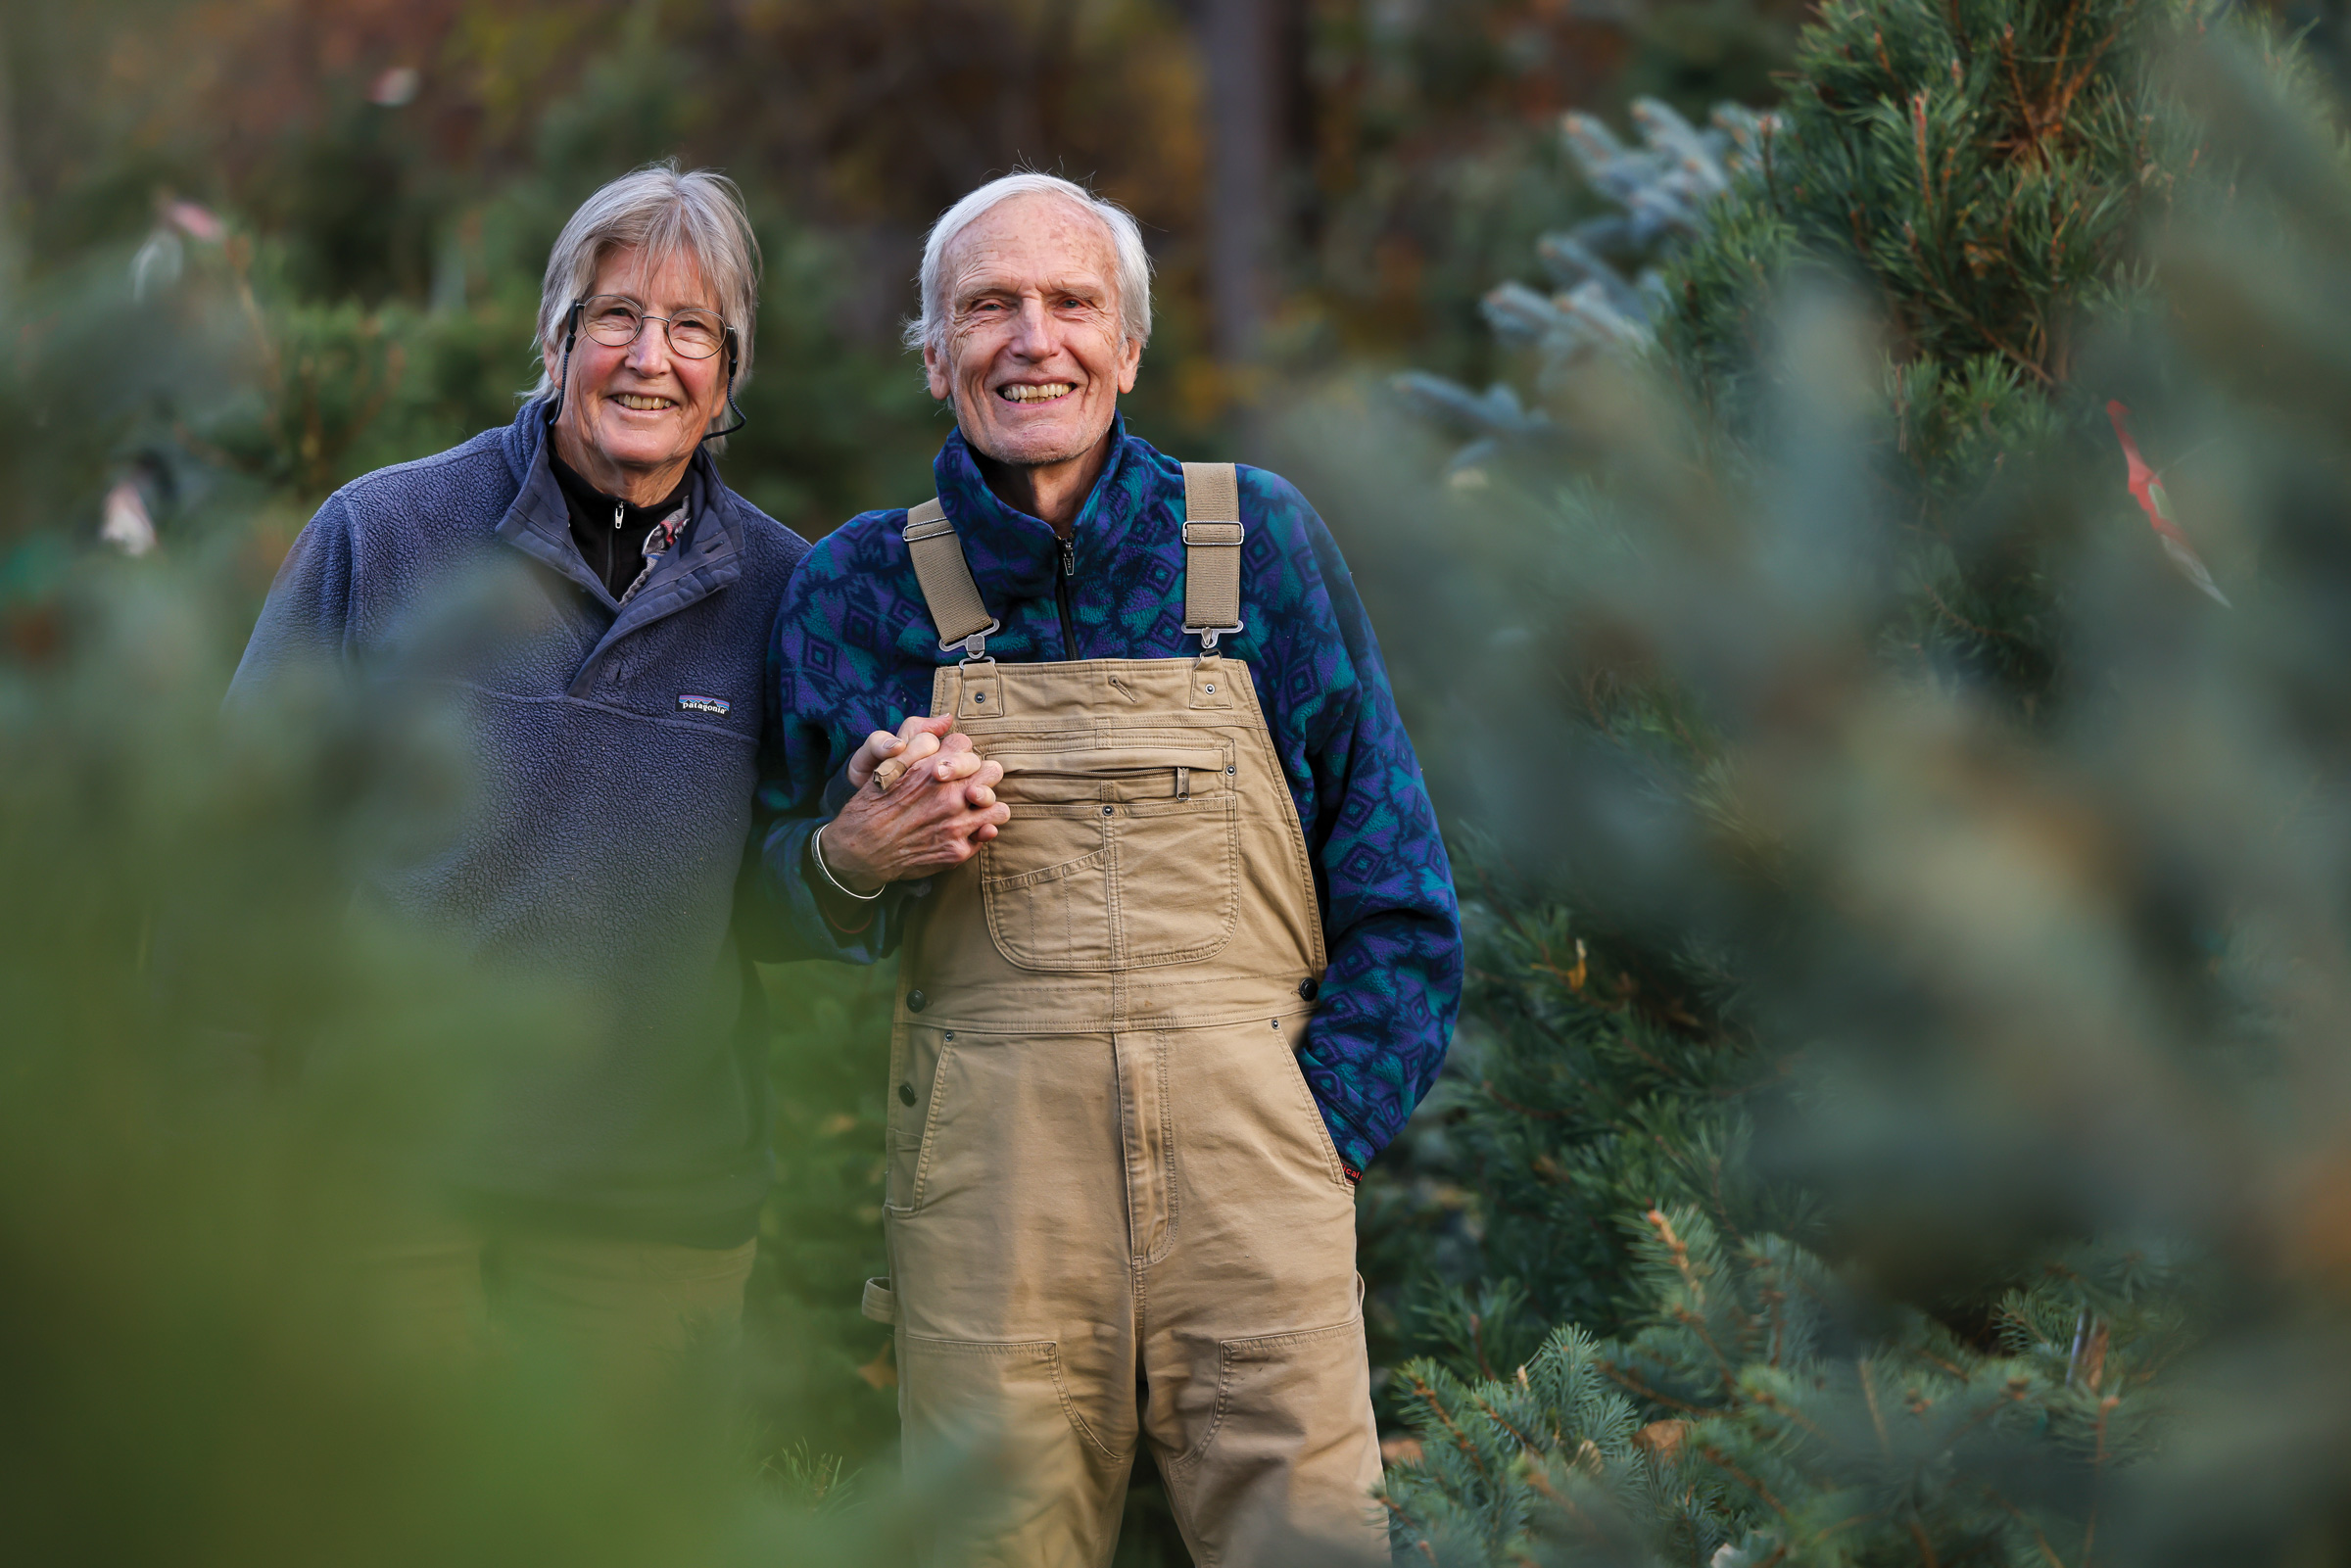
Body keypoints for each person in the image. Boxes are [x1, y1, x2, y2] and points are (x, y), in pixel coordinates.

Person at [762, 173, 1463, 1565]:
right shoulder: (858, 591)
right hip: (992, 1213)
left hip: (1258, 1186)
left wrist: (1313, 1141)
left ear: (1129, 346)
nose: (1036, 340)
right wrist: (852, 858)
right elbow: (758, 906)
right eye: (989, 307)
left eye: (1072, 302)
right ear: (931, 352)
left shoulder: (1257, 544)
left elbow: (1398, 887)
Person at [229, 163, 824, 1364]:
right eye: (616, 316)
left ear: (729, 372)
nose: (650, 357)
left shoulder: (784, 588)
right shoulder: (383, 533)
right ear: (555, 339)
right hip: (382, 1184)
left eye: (692, 328)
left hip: (653, 1208)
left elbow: (790, 886)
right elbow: (238, 838)